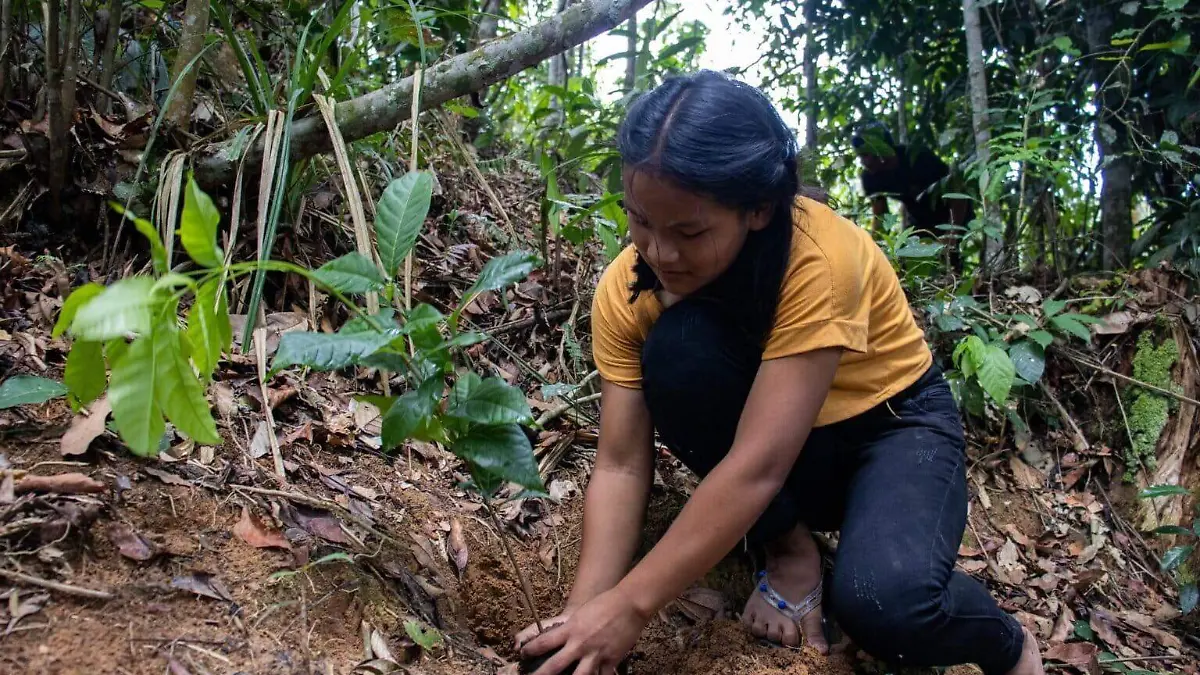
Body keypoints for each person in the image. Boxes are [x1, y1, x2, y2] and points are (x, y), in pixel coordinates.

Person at [515, 71, 1043, 675]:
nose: (660, 251)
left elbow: (758, 467)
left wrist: (630, 608)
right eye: (641, 222)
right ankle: (789, 550)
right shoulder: (628, 289)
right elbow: (621, 462)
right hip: (787, 456)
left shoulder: (819, 259)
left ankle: (1005, 641)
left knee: (886, 605)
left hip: (892, 431)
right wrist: (582, 619)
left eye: (689, 231)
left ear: (759, 208)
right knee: (679, 350)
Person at [853, 121, 972, 271]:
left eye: (866, 154)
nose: (864, 162)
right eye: (860, 156)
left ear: (881, 148)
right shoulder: (870, 178)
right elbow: (880, 216)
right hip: (920, 219)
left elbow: (957, 193)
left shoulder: (917, 157)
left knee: (949, 261)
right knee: (911, 261)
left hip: (952, 212)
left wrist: (951, 235)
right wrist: (873, 250)